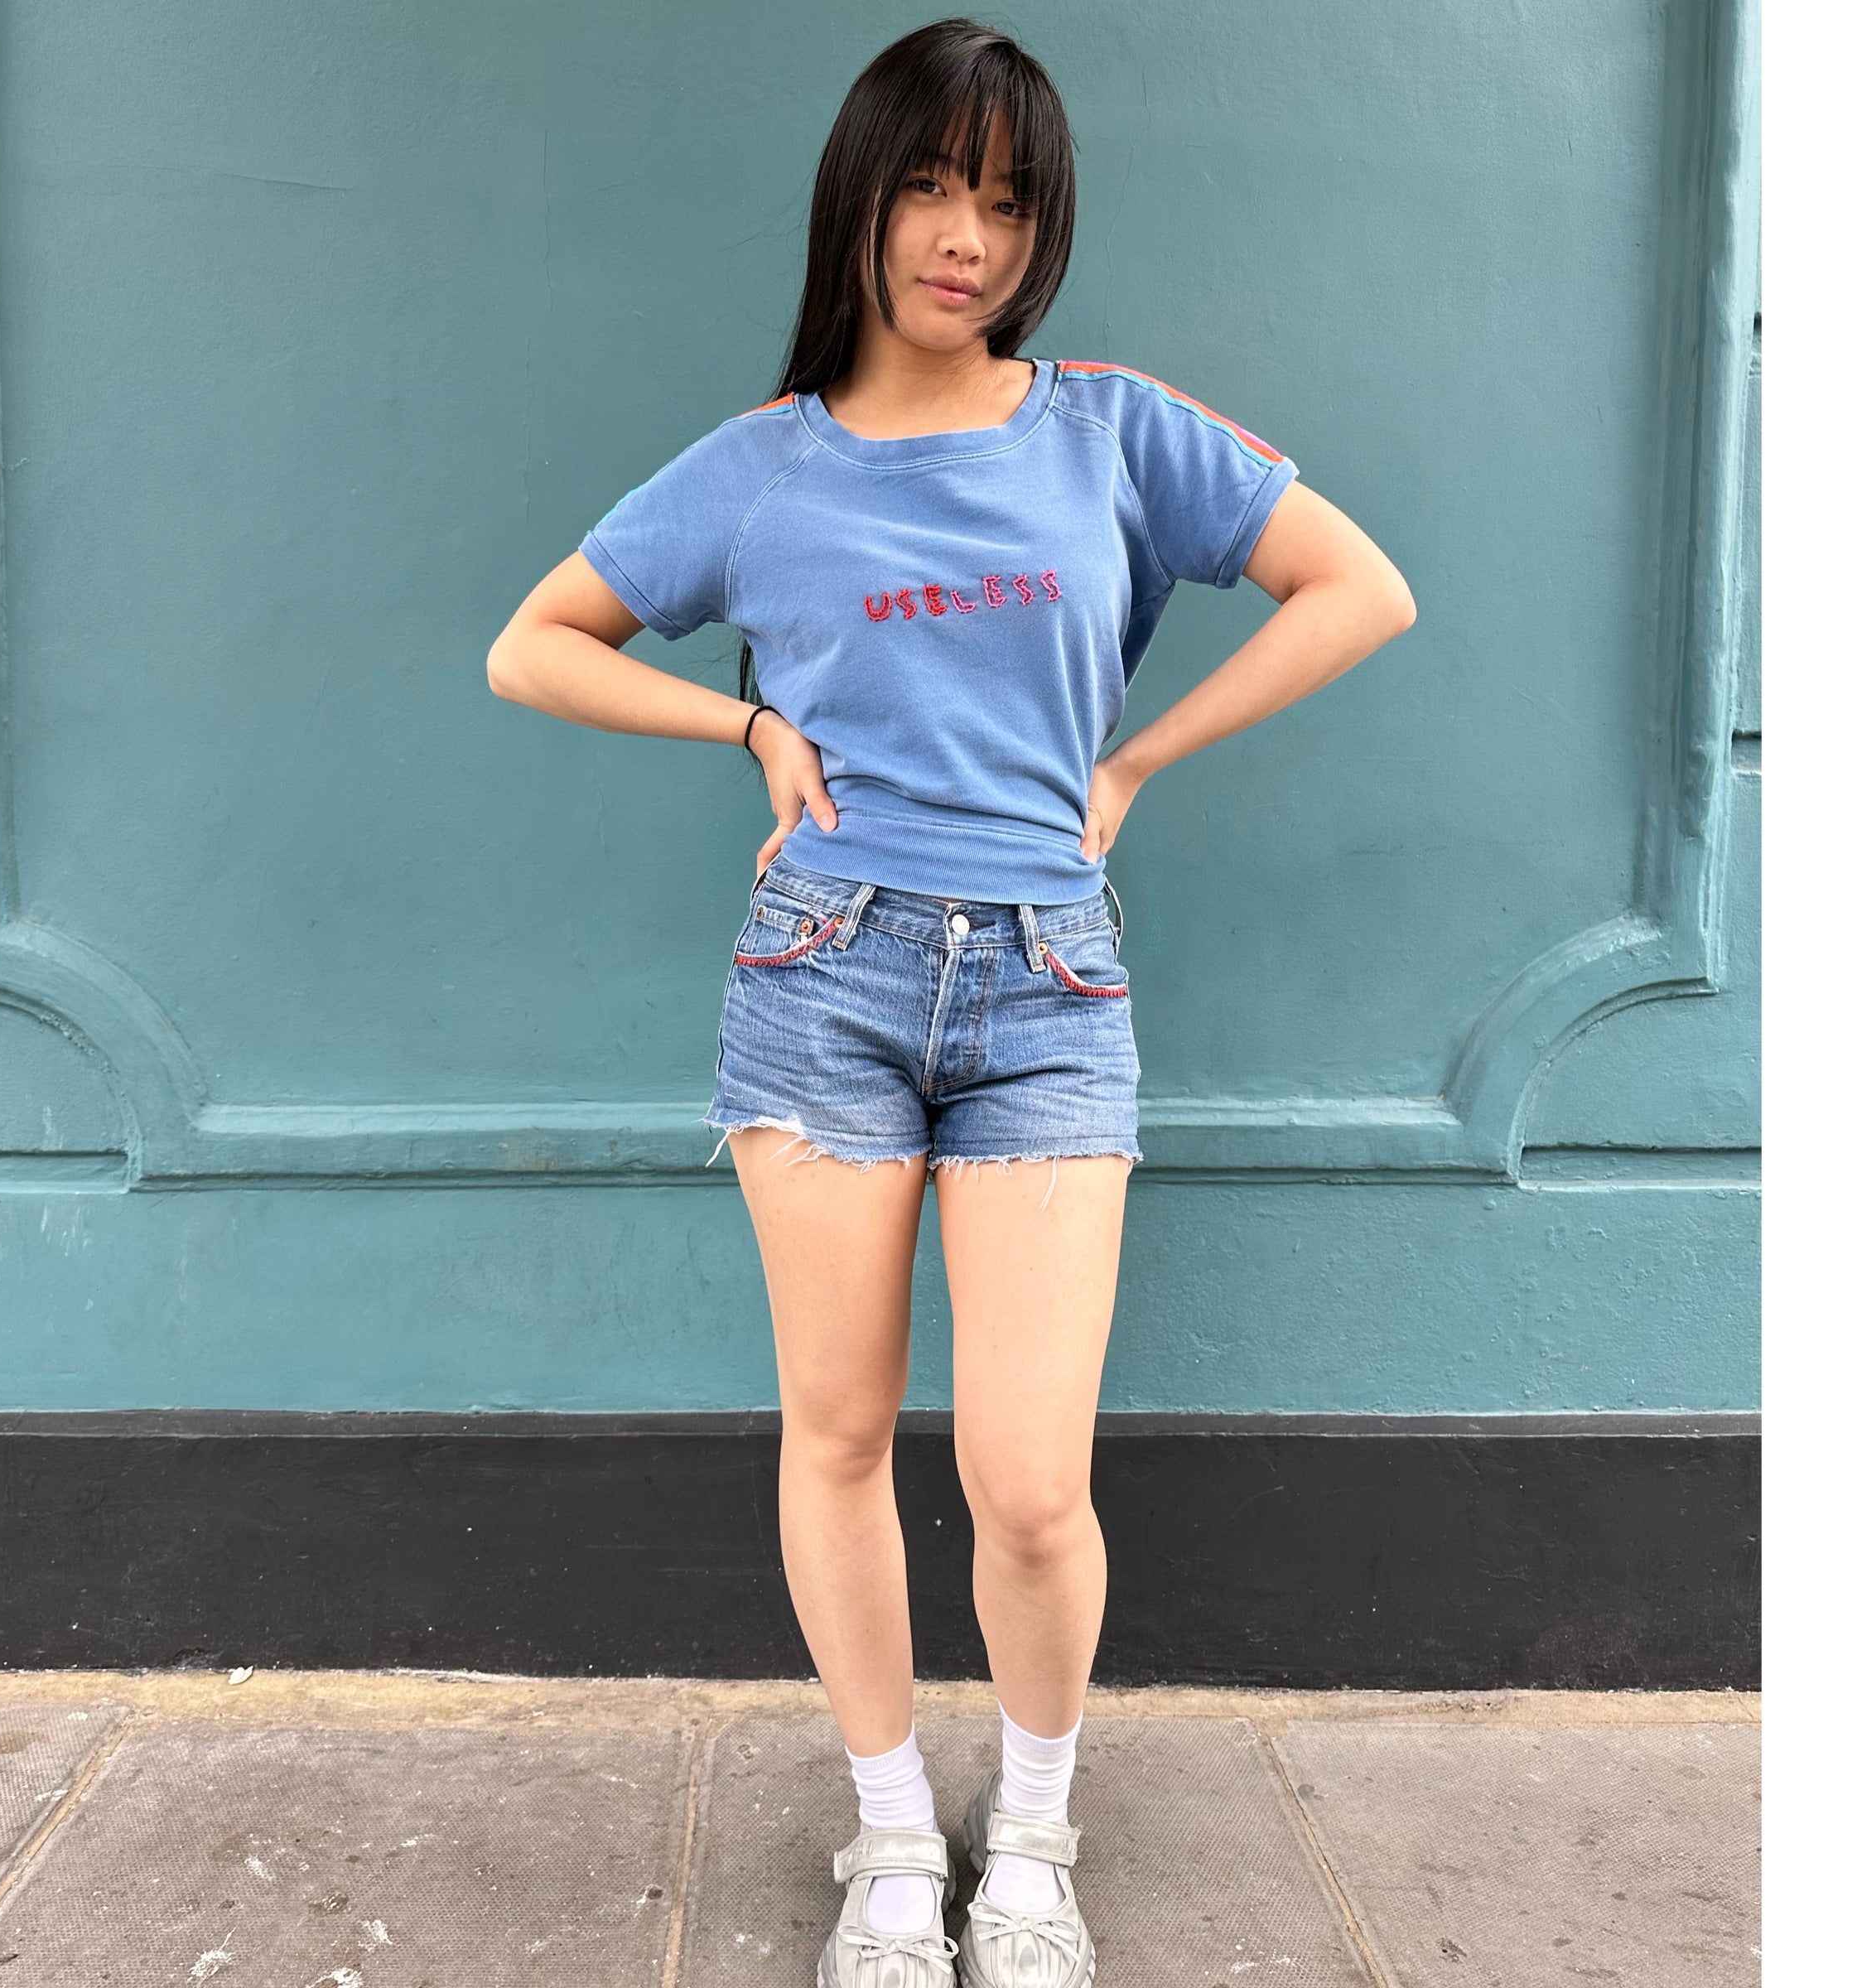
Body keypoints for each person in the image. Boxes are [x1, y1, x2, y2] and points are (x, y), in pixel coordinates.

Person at [487, 17, 1415, 1985]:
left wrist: (1135, 763)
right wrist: (747, 726)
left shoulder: (1111, 431)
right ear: (864, 196)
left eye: (1004, 200)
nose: (964, 237)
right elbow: (535, 645)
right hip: (821, 974)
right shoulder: (761, 464)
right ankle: (897, 1842)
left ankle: (1039, 1845)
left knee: (1029, 1479)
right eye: (929, 186)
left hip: (1051, 981)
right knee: (837, 1436)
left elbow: (1360, 588)